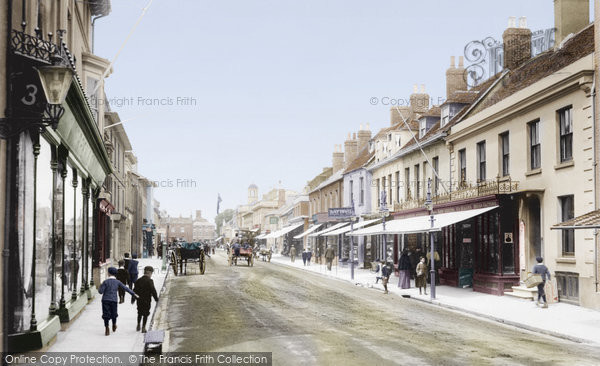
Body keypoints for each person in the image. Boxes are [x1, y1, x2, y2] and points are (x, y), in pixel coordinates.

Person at [98, 267, 137, 336]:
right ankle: (114, 324)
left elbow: (100, 292)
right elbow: (125, 288)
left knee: (106, 314)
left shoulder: (105, 282)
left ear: (109, 273)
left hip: (105, 300)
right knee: (114, 313)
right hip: (114, 300)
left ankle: (107, 328)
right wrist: (133, 294)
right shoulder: (117, 282)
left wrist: (101, 286)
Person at [132, 266, 159, 333]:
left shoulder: (138, 280)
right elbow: (153, 290)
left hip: (139, 299)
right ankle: (143, 327)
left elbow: (134, 290)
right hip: (147, 300)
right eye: (151, 273)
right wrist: (156, 299)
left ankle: (138, 324)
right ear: (149, 273)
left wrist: (133, 299)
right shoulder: (150, 281)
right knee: (146, 313)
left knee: (139, 312)